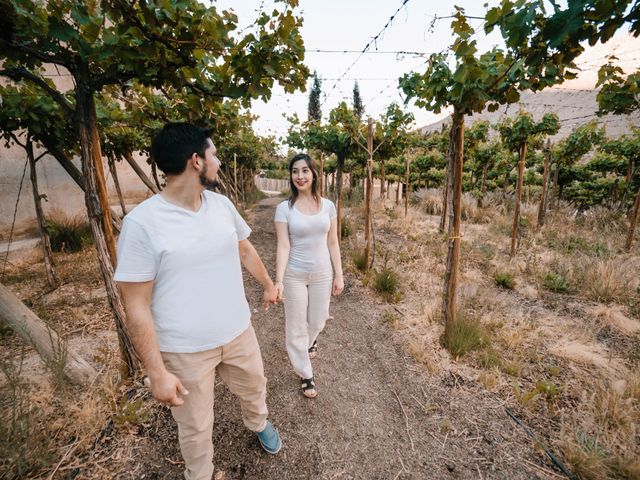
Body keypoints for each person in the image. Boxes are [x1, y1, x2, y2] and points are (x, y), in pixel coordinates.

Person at [114, 123, 282, 480]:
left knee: (255, 387)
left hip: (238, 332)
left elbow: (244, 247)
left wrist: (268, 283)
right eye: (214, 155)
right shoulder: (142, 224)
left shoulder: (220, 205)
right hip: (185, 351)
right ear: (196, 161)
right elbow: (136, 306)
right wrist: (157, 372)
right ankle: (200, 474)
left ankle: (258, 422)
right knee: (194, 427)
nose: (219, 161)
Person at [274, 153, 344, 398]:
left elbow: (333, 242)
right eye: (295, 171)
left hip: (323, 273)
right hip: (294, 274)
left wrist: (339, 275)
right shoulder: (285, 209)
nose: (300, 176)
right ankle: (306, 373)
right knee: (295, 327)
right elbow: (283, 245)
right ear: (291, 176)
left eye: (305, 171)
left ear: (314, 174)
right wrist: (279, 280)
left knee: (318, 320)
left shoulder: (328, 206)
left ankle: (310, 340)